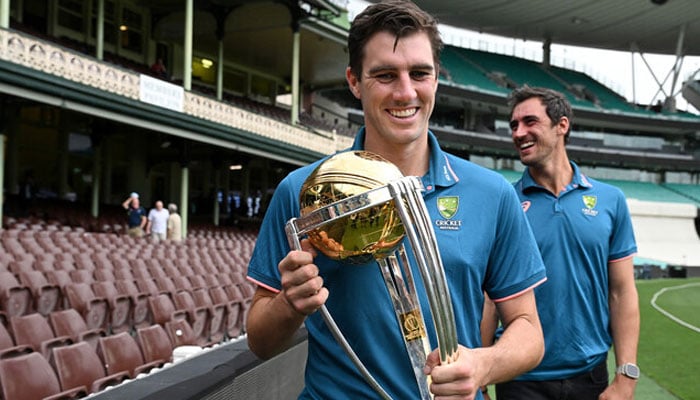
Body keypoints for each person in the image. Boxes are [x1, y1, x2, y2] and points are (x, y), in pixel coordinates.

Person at [245, 2, 547, 399]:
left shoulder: (491, 194)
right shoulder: (303, 191)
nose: (406, 92)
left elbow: (528, 329)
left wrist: (484, 364)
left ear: (437, 77)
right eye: (385, 75)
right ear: (354, 81)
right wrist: (290, 304)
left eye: (419, 73)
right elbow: (260, 340)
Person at [485, 85, 640, 400]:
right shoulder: (505, 203)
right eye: (514, 125)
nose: (518, 132)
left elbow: (621, 291)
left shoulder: (611, 201)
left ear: (562, 125)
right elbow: (489, 299)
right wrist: (478, 383)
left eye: (530, 122)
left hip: (591, 378)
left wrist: (626, 375)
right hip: (520, 379)